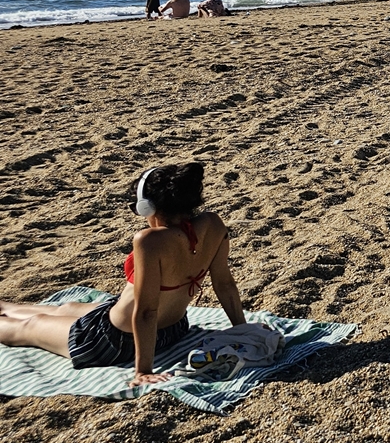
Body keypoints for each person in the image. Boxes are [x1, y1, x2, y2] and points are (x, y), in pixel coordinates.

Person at [0, 163, 246, 383]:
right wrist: (242, 331)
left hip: (113, 341)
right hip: (173, 330)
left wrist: (143, 370)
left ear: (146, 207)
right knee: (67, 309)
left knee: (31, 326)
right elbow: (224, 285)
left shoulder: (149, 240)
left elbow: (147, 312)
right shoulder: (213, 224)